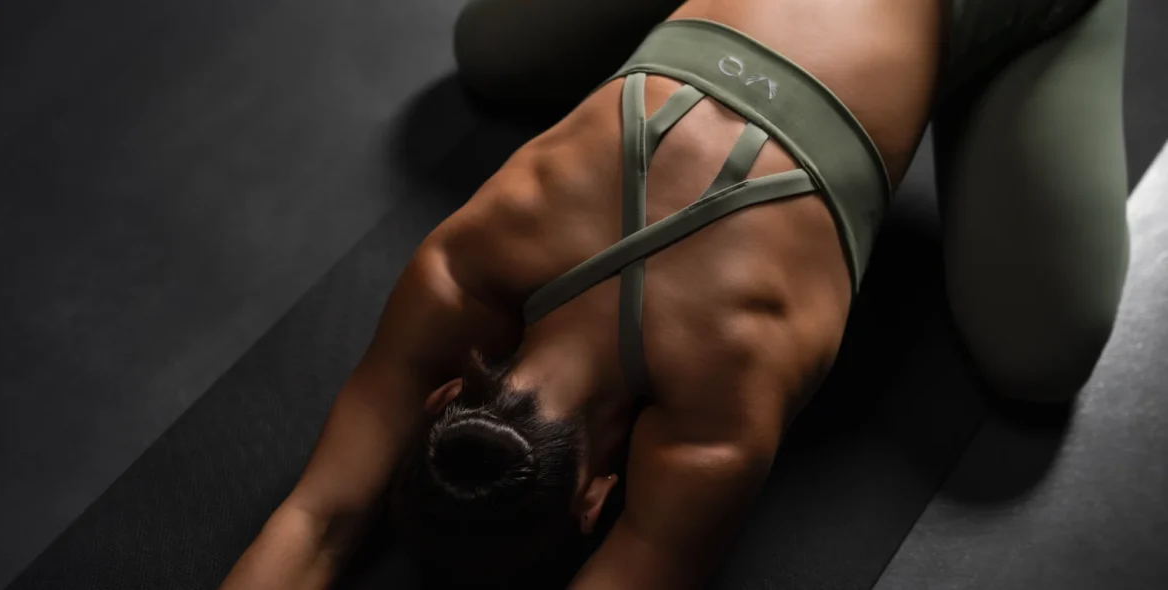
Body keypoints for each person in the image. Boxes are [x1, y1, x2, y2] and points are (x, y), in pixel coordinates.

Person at [221, 0, 1130, 587]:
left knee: (1042, 350)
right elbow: (315, 518)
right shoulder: (467, 257)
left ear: (594, 500)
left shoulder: (717, 414)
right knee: (495, 48)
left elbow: (322, 518)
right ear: (447, 397)